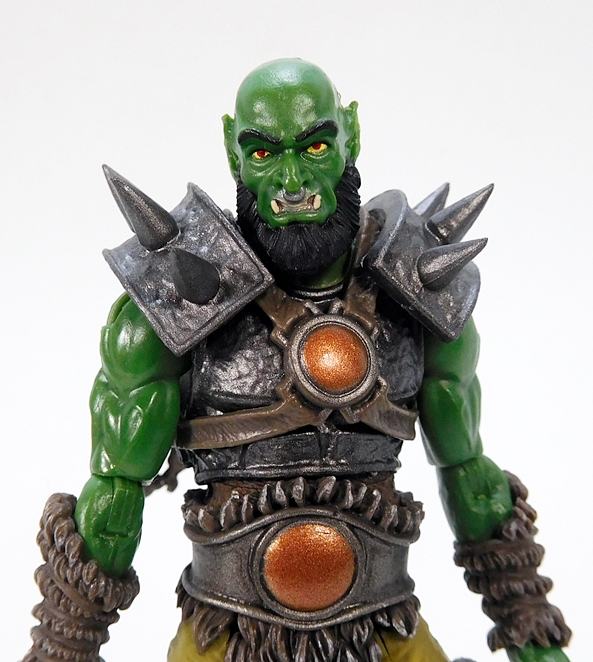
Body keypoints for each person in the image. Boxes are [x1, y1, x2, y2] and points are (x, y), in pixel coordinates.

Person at [24, 59, 571, 662]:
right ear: (232, 152)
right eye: (263, 154)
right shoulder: (169, 303)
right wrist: (64, 643)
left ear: (351, 135)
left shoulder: (417, 294)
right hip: (226, 634)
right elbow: (115, 493)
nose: (291, 182)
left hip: (384, 630)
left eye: (314, 147)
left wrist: (531, 629)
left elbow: (469, 474)